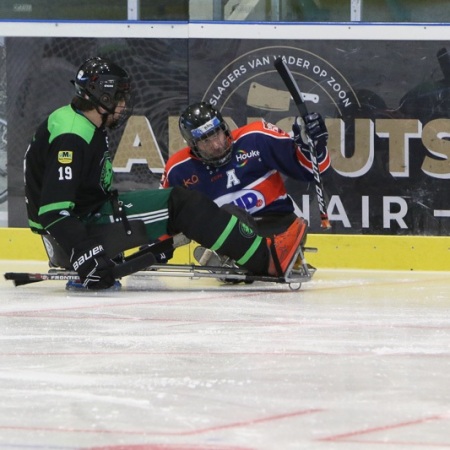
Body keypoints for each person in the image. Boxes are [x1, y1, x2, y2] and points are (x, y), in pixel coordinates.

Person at [23, 57, 305, 290]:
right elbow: (54, 211)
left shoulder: (78, 122)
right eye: (119, 98)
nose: (123, 105)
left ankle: (246, 249)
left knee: (179, 205)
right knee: (184, 205)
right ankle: (267, 258)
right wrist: (85, 253)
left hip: (86, 221)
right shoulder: (72, 137)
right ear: (103, 97)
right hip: (80, 231)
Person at [160, 101, 331, 263]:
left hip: (278, 227)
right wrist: (155, 251)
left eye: (217, 133)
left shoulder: (256, 137)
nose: (217, 145)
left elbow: (311, 171)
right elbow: (163, 217)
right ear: (192, 145)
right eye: (206, 141)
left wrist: (313, 146)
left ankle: (244, 260)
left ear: (224, 128)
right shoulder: (178, 169)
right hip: (230, 235)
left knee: (233, 221)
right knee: (228, 215)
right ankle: (247, 260)